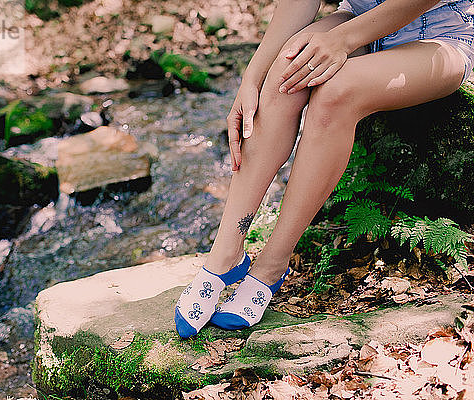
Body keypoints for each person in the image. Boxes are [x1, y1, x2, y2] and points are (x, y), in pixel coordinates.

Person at [174, 0, 474, 338]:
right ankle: (226, 253)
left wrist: (342, 40)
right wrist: (252, 77)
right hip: (356, 18)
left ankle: (273, 263)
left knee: (336, 92)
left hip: (439, 35)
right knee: (283, 75)